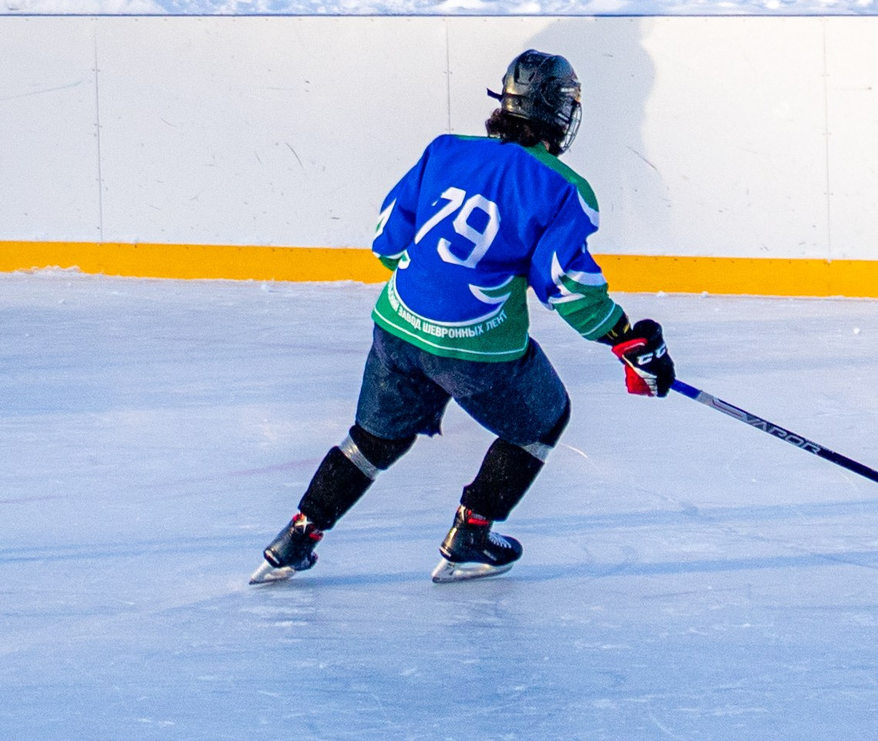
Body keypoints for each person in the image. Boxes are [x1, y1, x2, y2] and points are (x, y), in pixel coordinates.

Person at [250, 51, 678, 586]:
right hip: (478, 352)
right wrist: (625, 337)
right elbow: (566, 288)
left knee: (374, 439)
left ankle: (297, 536)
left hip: (398, 328)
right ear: (556, 113)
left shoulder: (443, 151)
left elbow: (387, 241)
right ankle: (470, 535)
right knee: (543, 419)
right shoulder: (563, 187)